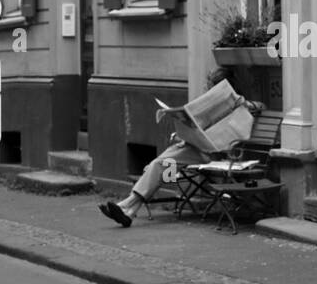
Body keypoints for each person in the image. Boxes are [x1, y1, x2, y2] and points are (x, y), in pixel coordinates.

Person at [99, 75, 262, 228]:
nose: (208, 88)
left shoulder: (240, 106)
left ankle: (127, 205)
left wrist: (243, 103)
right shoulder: (211, 106)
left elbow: (261, 107)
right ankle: (130, 210)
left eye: (212, 85)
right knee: (161, 166)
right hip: (194, 147)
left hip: (210, 155)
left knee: (160, 166)